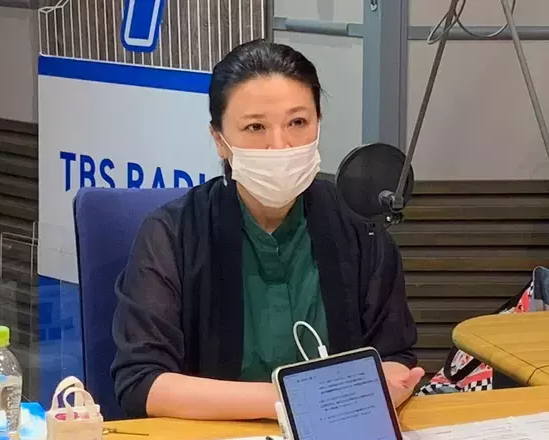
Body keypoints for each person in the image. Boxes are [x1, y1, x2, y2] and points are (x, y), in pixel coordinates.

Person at [111, 39, 424, 420]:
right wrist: (298, 399)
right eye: (255, 127)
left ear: (319, 123)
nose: (280, 145)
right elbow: (142, 383)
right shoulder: (171, 234)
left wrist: (385, 384)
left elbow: (394, 356)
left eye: (297, 123)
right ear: (219, 140)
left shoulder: (358, 224)